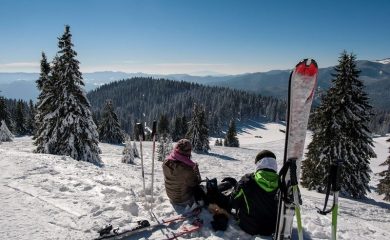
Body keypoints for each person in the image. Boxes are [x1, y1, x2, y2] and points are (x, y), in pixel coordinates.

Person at [230, 150, 279, 236]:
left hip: (250, 228)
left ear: (259, 163)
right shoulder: (283, 183)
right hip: (273, 228)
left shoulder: (247, 181)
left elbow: (233, 203)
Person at [162, 139, 202, 206]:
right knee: (201, 188)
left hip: (170, 195)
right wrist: (196, 171)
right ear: (187, 152)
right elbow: (196, 182)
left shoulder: (166, 161)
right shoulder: (187, 169)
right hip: (181, 199)